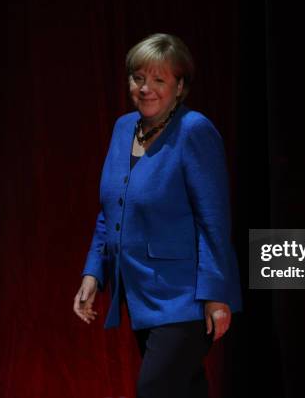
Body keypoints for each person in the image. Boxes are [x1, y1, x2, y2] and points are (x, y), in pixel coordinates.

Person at [72, 33, 242, 398]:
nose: (146, 88)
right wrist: (94, 272)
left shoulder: (194, 130)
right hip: (141, 295)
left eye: (159, 80)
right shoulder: (122, 128)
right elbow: (112, 210)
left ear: (180, 87)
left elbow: (213, 220)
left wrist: (216, 295)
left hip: (186, 298)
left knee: (155, 390)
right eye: (138, 78)